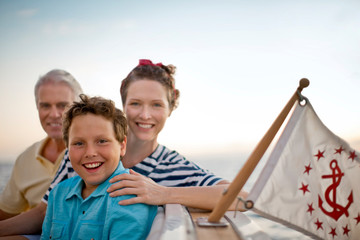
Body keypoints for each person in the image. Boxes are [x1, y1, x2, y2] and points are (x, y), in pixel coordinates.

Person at [0, 59, 247, 238]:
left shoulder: (175, 167)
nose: (145, 114)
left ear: (171, 108)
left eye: (157, 105)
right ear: (124, 105)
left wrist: (163, 193)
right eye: (136, 103)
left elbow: (244, 199)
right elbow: (44, 214)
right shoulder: (80, 152)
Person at [41, 94, 157, 240]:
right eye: (78, 143)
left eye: (102, 141)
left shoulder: (129, 197)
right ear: (67, 148)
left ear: (122, 146)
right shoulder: (58, 194)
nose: (90, 153)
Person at [0, 69, 82, 221]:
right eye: (45, 106)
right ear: (37, 107)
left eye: (62, 105)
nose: (54, 114)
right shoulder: (24, 160)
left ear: (78, 107)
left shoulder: (93, 154)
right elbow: (6, 214)